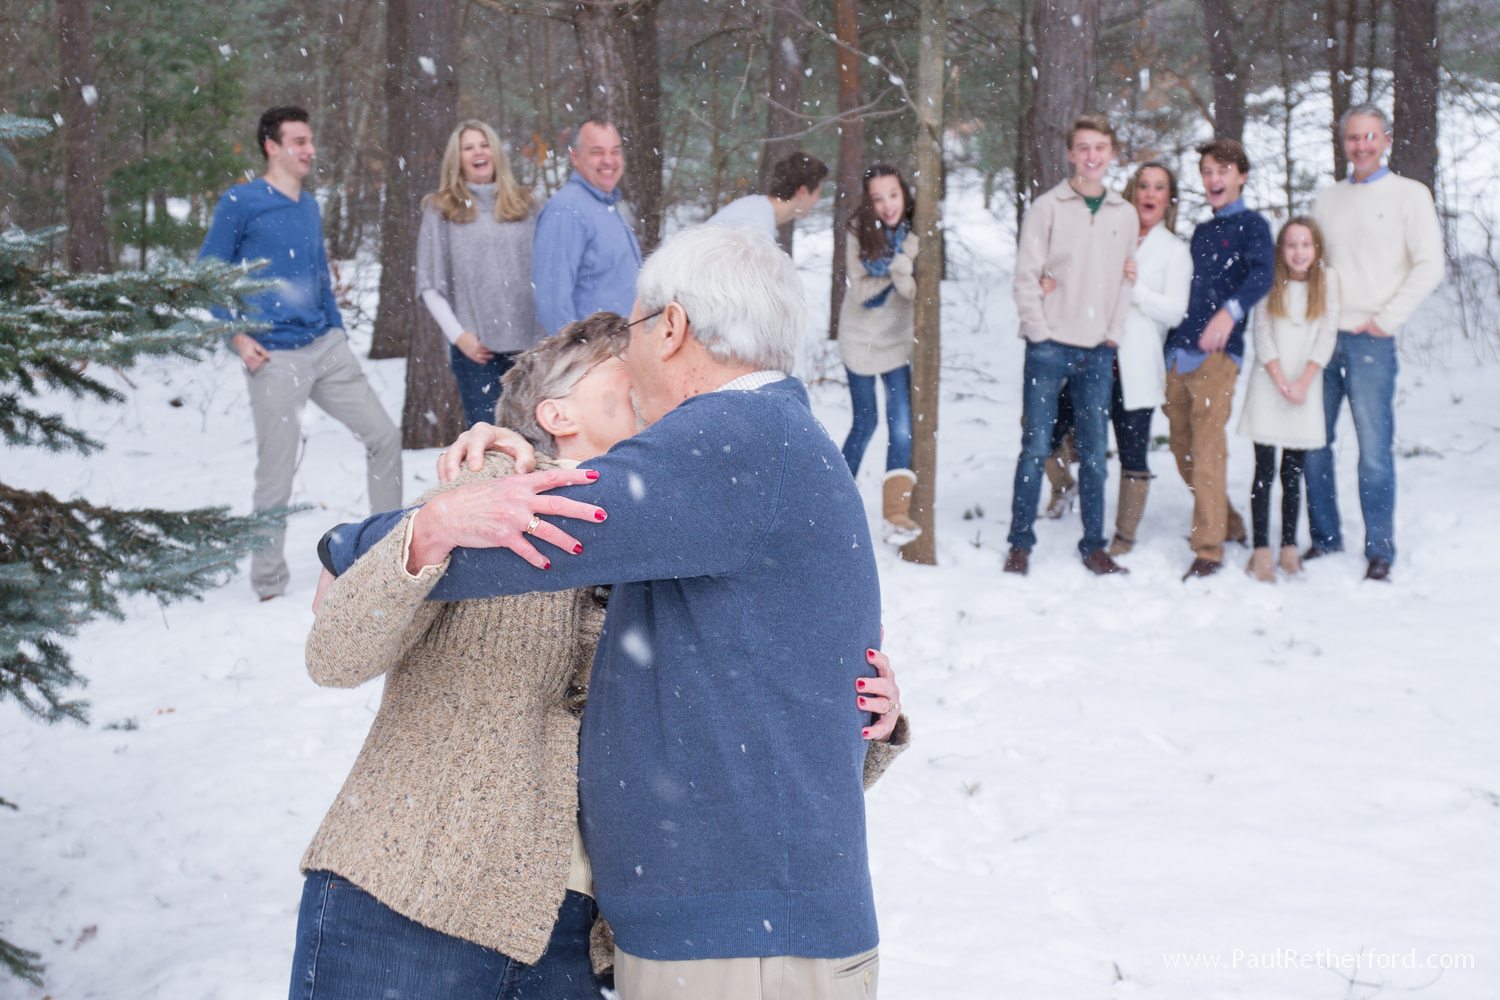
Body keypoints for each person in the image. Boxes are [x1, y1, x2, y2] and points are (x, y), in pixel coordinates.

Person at [320, 225, 898, 999]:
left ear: (674, 327)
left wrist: (349, 540)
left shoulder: (727, 444)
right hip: (436, 904)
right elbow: (736, 695)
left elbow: (544, 531)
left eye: (630, 332)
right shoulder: (744, 469)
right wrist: (432, 520)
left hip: (731, 938)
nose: (625, 360)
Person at [199, 105, 401, 601]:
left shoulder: (308, 204)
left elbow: (317, 273)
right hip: (274, 356)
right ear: (272, 145)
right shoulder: (241, 202)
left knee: (384, 436)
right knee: (276, 469)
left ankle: (387, 551)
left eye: (311, 141)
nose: (310, 150)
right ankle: (268, 584)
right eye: (300, 141)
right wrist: (236, 335)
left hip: (326, 347)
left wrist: (335, 327)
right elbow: (205, 275)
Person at [1303, 103, 1445, 582]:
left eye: (1369, 137)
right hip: (1323, 339)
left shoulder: (1410, 195)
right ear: (1343, 143)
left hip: (1371, 341)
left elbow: (1430, 265)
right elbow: (1312, 267)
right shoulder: (1328, 198)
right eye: (1352, 138)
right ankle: (1324, 540)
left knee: (1374, 449)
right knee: (1315, 444)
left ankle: (1379, 548)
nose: (1360, 147)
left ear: (1386, 139)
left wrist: (1386, 320)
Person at [1005, 112, 1136, 577]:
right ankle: (1020, 542)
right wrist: (1039, 333)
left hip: (1098, 348)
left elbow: (1126, 280)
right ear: (1070, 153)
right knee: (1035, 445)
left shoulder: (1124, 212)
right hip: (1050, 345)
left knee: (1096, 454)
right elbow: (1026, 274)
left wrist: (1113, 333)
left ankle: (1093, 546)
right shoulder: (1048, 207)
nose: (1092, 156)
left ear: (1112, 153)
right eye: (1083, 148)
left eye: (1100, 148)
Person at [1040, 162, 1193, 556]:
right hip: (1089, 357)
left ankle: (1124, 535)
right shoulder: (1110, 234)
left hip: (1135, 367)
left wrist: (1134, 287)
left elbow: (1175, 312)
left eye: (1160, 187)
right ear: (1132, 191)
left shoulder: (1175, 252)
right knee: (1043, 432)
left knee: (1132, 450)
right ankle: (1063, 485)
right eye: (1144, 185)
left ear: (1168, 199)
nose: (1150, 193)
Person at [1161, 137, 1274, 581]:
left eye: (1223, 171)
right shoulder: (1203, 231)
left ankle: (1208, 548)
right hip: (1181, 352)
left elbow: (1263, 273)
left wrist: (1230, 313)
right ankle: (1227, 520)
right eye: (1207, 172)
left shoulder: (1253, 226)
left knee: (1207, 450)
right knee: (1182, 449)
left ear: (1241, 176)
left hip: (1218, 355)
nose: (1213, 180)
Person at [416, 119, 546, 426]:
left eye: (485, 144)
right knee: (490, 447)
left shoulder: (526, 204)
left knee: (538, 443)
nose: (479, 152)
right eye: (469, 147)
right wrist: (459, 336)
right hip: (478, 353)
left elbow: (551, 271)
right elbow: (429, 285)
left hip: (532, 349)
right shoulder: (442, 209)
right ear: (457, 158)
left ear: (496, 152)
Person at [1236, 218, 1342, 582]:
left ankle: (1289, 548)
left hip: (1305, 384)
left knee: (1292, 474)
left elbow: (1327, 334)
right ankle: (1261, 550)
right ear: (1281, 250)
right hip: (1270, 381)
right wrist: (1281, 380)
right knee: (1264, 472)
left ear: (1317, 250)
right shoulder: (1270, 282)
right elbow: (1262, 334)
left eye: (1306, 245)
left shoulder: (1328, 282)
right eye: (1291, 245)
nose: (1299, 252)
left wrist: (1304, 381)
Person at [837, 164, 922, 544]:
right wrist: (896, 270)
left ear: (904, 193)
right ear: (868, 203)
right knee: (866, 421)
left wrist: (904, 275)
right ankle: (833, 499)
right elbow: (860, 290)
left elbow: (913, 293)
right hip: (859, 338)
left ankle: (896, 513)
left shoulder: (917, 232)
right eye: (878, 198)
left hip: (895, 340)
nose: (888, 205)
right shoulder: (858, 231)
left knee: (902, 425)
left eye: (893, 194)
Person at [531, 119, 642, 336]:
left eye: (615, 151)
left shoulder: (605, 205)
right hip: (594, 358)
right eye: (597, 152)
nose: (609, 161)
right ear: (575, 157)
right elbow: (552, 301)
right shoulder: (566, 210)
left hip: (621, 351)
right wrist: (577, 363)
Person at [706, 151, 828, 242]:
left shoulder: (754, 208)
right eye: (818, 192)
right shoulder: (756, 229)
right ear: (803, 191)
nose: (818, 200)